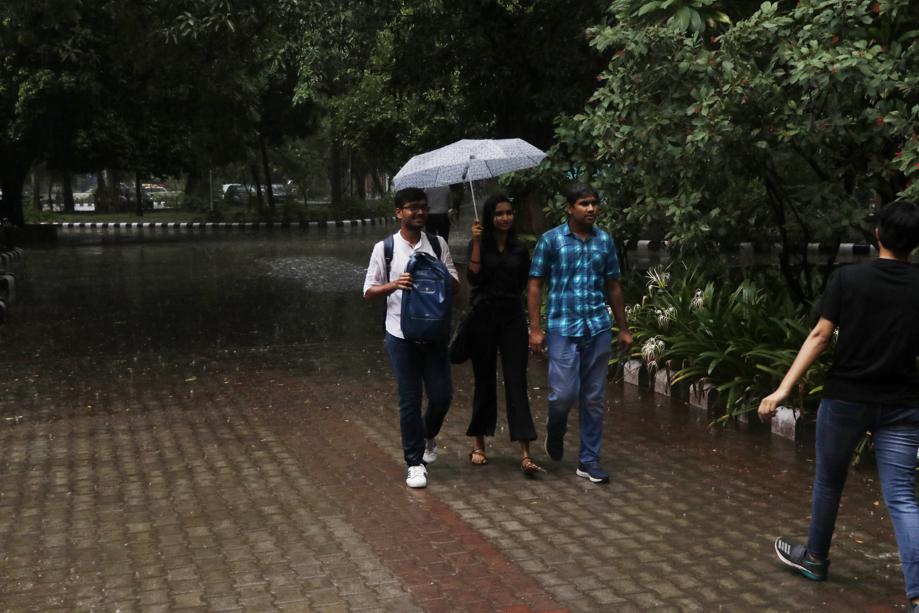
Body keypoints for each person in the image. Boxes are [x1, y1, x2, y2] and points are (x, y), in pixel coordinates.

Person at [758, 200, 919, 611]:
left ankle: (814, 559)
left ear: (878, 235)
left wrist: (781, 390)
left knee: (830, 481)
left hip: (846, 399)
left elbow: (819, 336)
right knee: (901, 497)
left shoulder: (849, 279)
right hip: (902, 403)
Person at [527, 182, 632, 483]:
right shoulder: (551, 241)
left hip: (597, 327)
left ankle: (588, 460)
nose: (591, 209)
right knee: (563, 395)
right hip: (562, 327)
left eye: (595, 203)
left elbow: (613, 285)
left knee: (594, 398)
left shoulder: (605, 242)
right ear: (570, 208)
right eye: (584, 203)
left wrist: (623, 328)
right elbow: (535, 284)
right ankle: (556, 427)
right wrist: (535, 329)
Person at [363, 187, 460, 488]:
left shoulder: (438, 243)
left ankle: (428, 435)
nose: (418, 212)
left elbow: (455, 286)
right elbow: (368, 291)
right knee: (410, 399)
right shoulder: (386, 248)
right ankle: (414, 462)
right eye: (411, 208)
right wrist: (395, 284)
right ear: (399, 213)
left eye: (422, 207)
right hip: (400, 335)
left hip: (434, 334)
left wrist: (440, 275)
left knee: (442, 396)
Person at [465, 194, 541, 475]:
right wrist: (475, 242)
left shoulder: (520, 249)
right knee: (484, 381)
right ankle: (478, 445)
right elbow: (472, 278)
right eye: (499, 213)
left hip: (511, 318)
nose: (505, 218)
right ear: (489, 217)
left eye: (509, 212)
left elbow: (525, 283)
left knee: (516, 381)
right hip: (483, 317)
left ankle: (525, 452)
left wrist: (534, 326)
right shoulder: (479, 245)